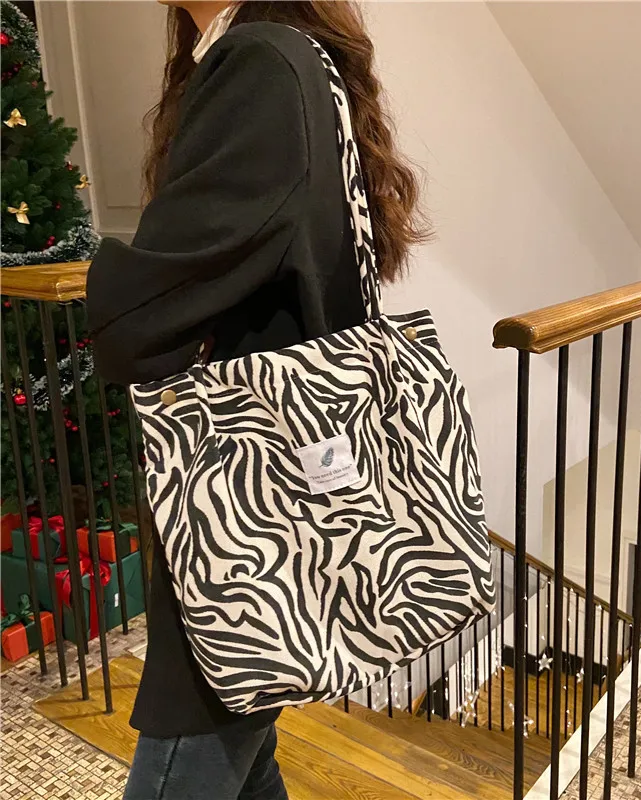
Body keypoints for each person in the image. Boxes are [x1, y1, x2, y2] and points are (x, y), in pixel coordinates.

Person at [86, 2, 427, 798]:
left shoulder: (261, 61)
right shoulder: (280, 56)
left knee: (196, 736)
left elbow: (165, 290)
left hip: (241, 500)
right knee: (245, 744)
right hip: (275, 477)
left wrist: (108, 294)